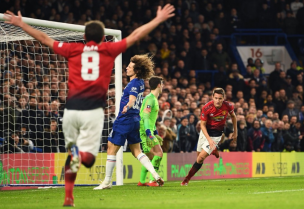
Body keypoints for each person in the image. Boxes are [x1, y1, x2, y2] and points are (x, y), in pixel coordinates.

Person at [3, 4, 175, 206]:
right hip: (93, 111)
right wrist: (157, 19)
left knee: (76, 153)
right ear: (104, 38)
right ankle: (89, 158)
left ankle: (71, 192)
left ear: (84, 36)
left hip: (72, 109)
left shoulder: (73, 49)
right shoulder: (108, 50)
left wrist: (21, 23)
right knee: (94, 156)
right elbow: (136, 35)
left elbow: (45, 39)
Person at [93, 54, 164, 190]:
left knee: (111, 148)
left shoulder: (133, 84)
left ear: (136, 71)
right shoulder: (141, 83)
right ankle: (154, 174)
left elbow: (131, 100)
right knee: (136, 151)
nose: (126, 68)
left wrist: (127, 106)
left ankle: (107, 182)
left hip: (124, 120)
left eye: (130, 67)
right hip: (135, 121)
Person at [181, 88, 237, 186]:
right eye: (216, 98)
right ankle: (214, 150)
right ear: (212, 97)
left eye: (220, 98)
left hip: (216, 135)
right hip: (205, 132)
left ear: (223, 98)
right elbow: (202, 125)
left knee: (200, 158)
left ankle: (187, 179)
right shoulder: (207, 108)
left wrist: (235, 132)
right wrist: (208, 140)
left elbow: (233, 117)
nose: (218, 101)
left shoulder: (228, 106)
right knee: (198, 157)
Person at [137, 76, 164, 187]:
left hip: (147, 130)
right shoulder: (150, 99)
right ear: (158, 85)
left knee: (150, 157)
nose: (162, 86)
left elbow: (151, 118)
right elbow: (146, 116)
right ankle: (153, 180)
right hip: (145, 130)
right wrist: (149, 132)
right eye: (161, 84)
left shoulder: (152, 98)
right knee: (159, 153)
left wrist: (155, 132)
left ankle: (142, 181)